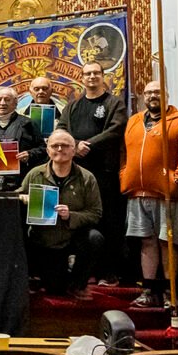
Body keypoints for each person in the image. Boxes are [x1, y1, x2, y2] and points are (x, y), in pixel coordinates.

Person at [121, 81, 178, 308]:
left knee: (168, 242)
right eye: (148, 93)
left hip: (167, 194)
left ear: (166, 95)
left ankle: (169, 292)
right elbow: (124, 152)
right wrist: (124, 174)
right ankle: (148, 290)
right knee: (146, 242)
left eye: (157, 92)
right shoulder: (134, 121)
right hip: (137, 192)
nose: (152, 96)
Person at [56, 61, 128, 284]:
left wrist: (88, 145)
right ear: (82, 78)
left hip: (105, 173)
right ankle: (87, 271)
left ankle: (109, 272)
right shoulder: (72, 106)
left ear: (103, 76)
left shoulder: (114, 103)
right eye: (87, 73)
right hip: (77, 174)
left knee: (108, 221)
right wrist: (75, 145)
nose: (92, 77)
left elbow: (116, 129)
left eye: (96, 73)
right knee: (83, 221)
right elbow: (61, 129)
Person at [20, 130, 103, 300]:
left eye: (65, 145)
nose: (59, 149)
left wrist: (70, 215)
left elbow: (95, 213)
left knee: (95, 238)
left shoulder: (87, 178)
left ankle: (78, 284)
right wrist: (23, 198)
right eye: (55, 146)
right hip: (43, 239)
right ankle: (37, 277)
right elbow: (17, 194)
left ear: (74, 150)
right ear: (48, 150)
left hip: (72, 237)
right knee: (55, 289)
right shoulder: (35, 174)